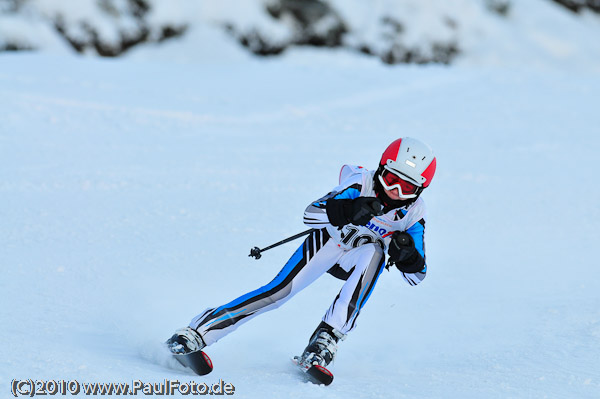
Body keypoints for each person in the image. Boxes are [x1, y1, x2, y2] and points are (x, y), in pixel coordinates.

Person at [167, 137, 437, 372]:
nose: (396, 192)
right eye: (391, 180)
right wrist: (346, 210)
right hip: (328, 242)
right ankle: (197, 332)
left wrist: (407, 256)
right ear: (380, 169)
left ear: (419, 191)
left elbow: (417, 277)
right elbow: (311, 214)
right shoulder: (361, 183)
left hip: (360, 259)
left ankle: (325, 339)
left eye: (408, 188)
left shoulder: (413, 213)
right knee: (278, 293)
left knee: (376, 251)